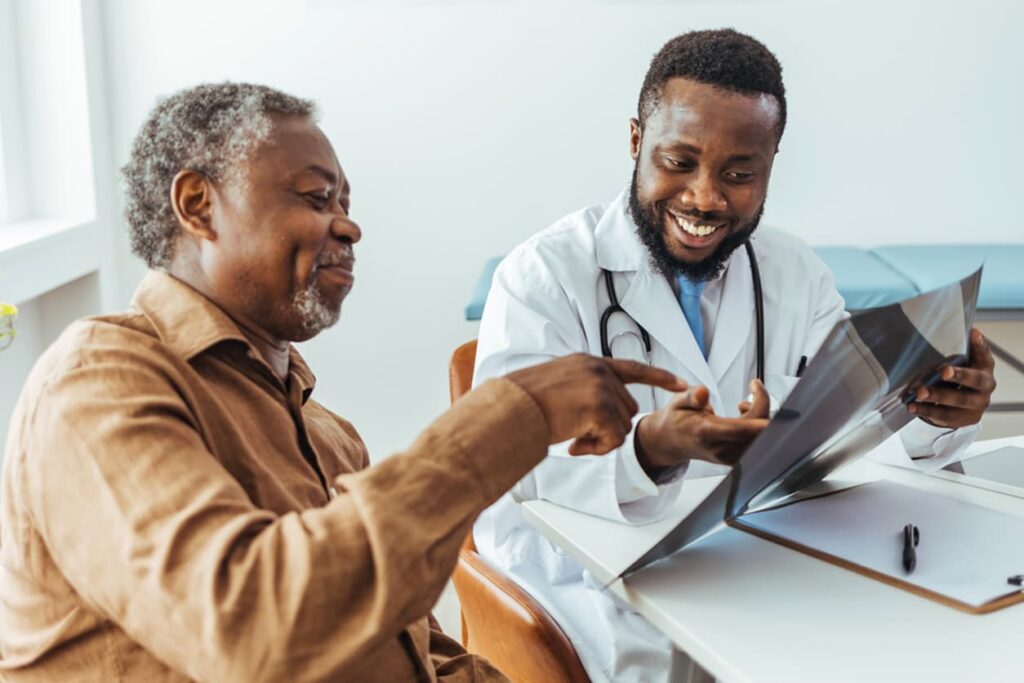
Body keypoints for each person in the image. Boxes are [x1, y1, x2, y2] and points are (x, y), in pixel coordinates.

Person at [0, 83, 689, 682]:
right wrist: (515, 413)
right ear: (198, 204)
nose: (350, 225)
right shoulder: (98, 379)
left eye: (346, 201)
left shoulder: (329, 436)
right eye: (315, 196)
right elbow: (252, 629)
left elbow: (415, 653)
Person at [472, 29, 997, 683]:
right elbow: (506, 465)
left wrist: (932, 412)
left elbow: (857, 425)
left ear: (772, 163)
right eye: (679, 161)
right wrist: (648, 451)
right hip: (592, 585)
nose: (705, 197)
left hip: (757, 568)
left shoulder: (794, 272)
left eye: (740, 174)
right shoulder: (545, 277)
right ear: (635, 141)